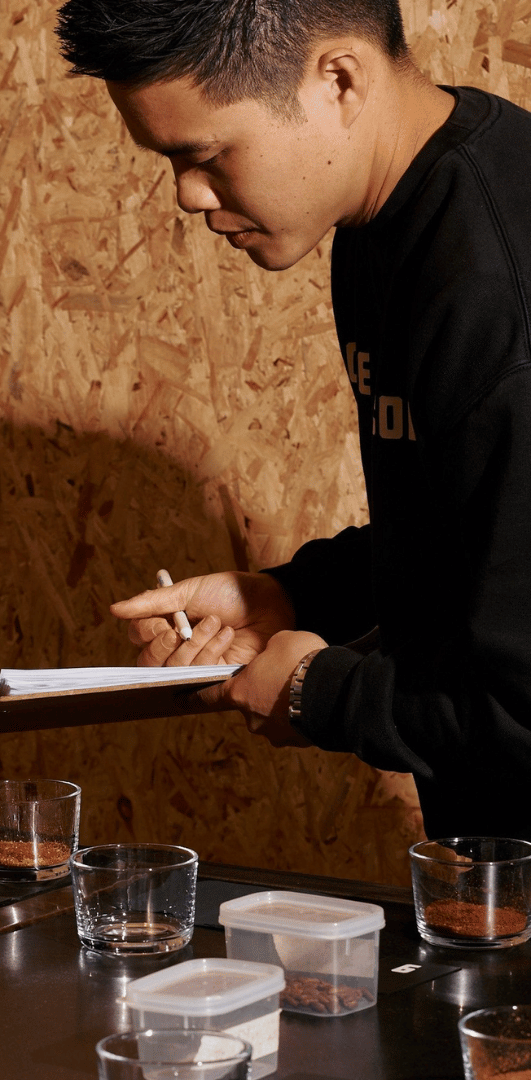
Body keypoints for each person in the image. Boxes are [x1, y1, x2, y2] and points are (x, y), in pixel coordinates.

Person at [55, 0, 531, 840]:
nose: (188, 195)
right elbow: (486, 542)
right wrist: (289, 594)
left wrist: (319, 692)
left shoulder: (500, 282)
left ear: (338, 79)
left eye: (204, 155)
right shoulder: (385, 221)